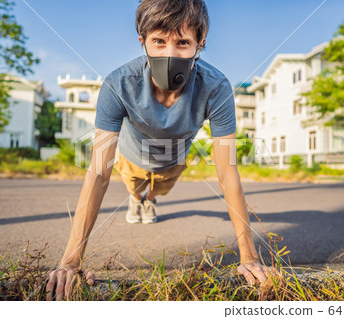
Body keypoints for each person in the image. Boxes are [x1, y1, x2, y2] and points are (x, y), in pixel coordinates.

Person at [46, 0, 270, 301]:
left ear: (200, 44)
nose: (170, 53)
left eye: (183, 42)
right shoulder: (118, 85)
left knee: (158, 191)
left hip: (173, 160)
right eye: (159, 41)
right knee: (136, 187)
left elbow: (228, 172)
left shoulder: (215, 88)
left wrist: (249, 257)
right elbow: (99, 172)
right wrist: (70, 262)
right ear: (143, 41)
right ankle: (137, 201)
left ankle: (147, 201)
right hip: (131, 156)